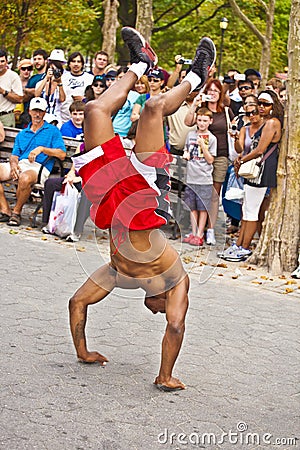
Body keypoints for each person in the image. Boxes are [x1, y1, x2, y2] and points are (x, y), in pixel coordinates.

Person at [68, 27, 216, 390]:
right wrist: (165, 376)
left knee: (94, 110)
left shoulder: (118, 272)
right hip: (142, 193)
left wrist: (83, 351)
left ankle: (140, 63)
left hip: (109, 196)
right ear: (165, 300)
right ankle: (198, 74)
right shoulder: (176, 278)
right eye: (158, 311)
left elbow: (76, 303)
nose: (153, 312)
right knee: (152, 108)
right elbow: (177, 325)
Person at [221, 93, 282, 261]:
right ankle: (239, 244)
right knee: (247, 209)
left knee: (252, 210)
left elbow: (260, 150)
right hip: (256, 169)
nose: (262, 107)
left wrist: (240, 160)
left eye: (266, 104)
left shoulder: (271, 123)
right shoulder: (262, 123)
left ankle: (245, 247)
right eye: (259, 103)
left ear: (273, 106)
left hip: (261, 170)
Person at [0, 97, 66, 226]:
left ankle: (16, 213)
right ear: (29, 111)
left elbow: (62, 154)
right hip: (21, 164)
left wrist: (42, 149)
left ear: (45, 113)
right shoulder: (23, 133)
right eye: (35, 111)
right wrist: (14, 165)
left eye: (40, 111)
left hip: (40, 167)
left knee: (24, 178)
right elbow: (14, 155)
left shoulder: (52, 131)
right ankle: (5, 209)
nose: (37, 114)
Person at [185, 78, 234, 245]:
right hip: (199, 158)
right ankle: (198, 231)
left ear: (220, 93)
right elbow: (188, 121)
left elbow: (234, 128)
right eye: (210, 90)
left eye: (216, 90)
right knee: (199, 192)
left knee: (213, 195)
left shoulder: (225, 111)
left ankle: (210, 229)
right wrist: (195, 104)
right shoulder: (201, 110)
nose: (212, 93)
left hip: (219, 156)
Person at [182, 107, 217, 246]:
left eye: (205, 121)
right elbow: (186, 148)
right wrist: (186, 153)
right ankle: (193, 231)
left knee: (203, 208)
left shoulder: (212, 138)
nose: (202, 123)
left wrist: (203, 146)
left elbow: (210, 160)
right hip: (191, 176)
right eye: (200, 120)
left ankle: (200, 233)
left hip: (204, 178)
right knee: (192, 207)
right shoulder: (191, 135)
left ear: (210, 122)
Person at [61, 52, 94, 123]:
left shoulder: (90, 78)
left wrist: (84, 99)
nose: (76, 64)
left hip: (83, 118)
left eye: (78, 61)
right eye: (73, 61)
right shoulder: (63, 78)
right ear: (69, 64)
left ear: (82, 64)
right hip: (64, 118)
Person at [35, 57, 66, 127]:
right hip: (42, 118)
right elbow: (36, 95)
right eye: (52, 70)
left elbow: (62, 99)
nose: (54, 72)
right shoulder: (41, 83)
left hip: (56, 119)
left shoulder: (62, 84)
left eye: (56, 70)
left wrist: (59, 83)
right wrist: (46, 78)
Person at [0, 50, 23, 127]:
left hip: (6, 116)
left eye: (2, 61)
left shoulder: (13, 76)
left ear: (6, 62)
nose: (0, 64)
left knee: (7, 139)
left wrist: (3, 92)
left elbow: (19, 99)